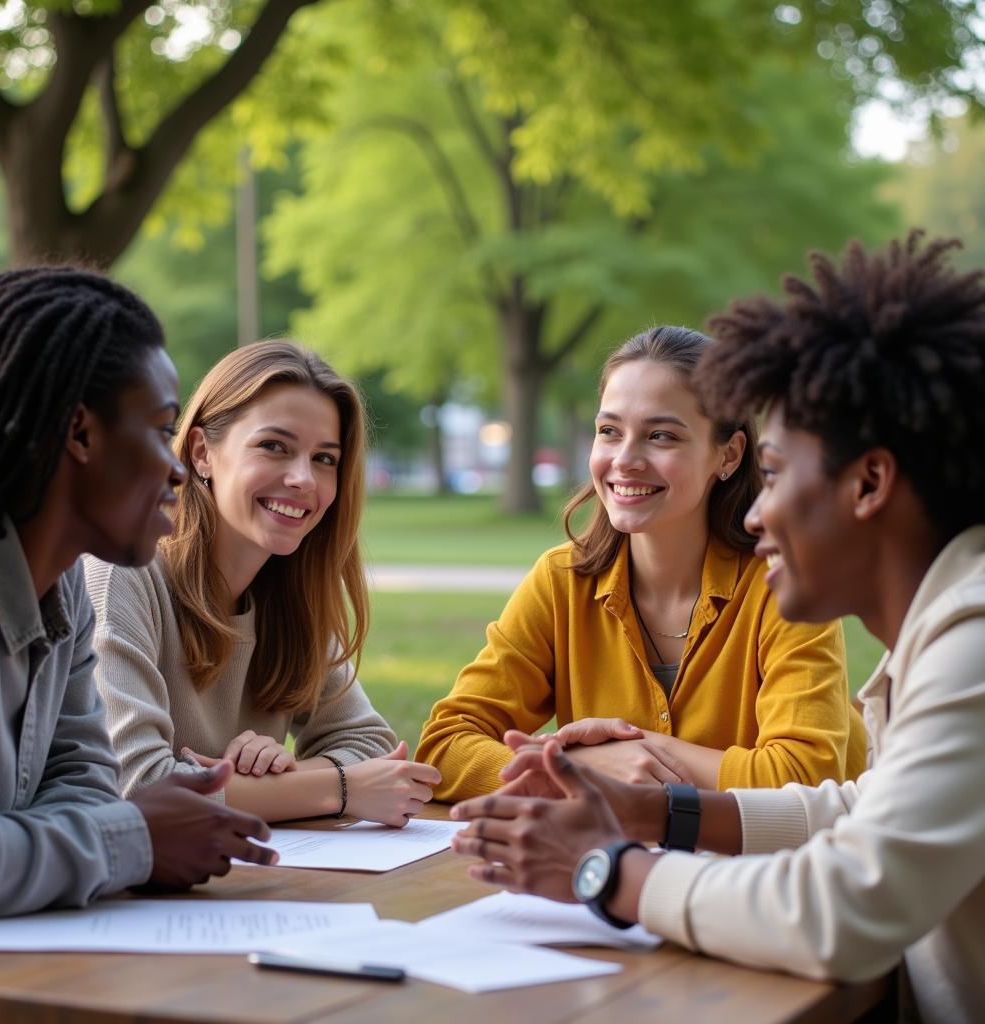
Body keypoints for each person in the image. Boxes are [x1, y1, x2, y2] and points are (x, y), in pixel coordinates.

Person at [450, 232, 985, 1023]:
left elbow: (843, 908)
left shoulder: (971, 643)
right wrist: (660, 813)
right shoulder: (952, 623)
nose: (761, 513)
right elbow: (859, 810)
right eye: (609, 429)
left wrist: (610, 869)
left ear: (870, 482)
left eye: (773, 473)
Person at [417, 326, 865, 802]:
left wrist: (637, 753)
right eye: (609, 431)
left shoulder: (786, 586)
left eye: (661, 436)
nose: (625, 460)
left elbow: (805, 779)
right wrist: (572, 764)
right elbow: (442, 749)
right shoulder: (561, 582)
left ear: (728, 455)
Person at [0, 267, 277, 919]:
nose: (179, 469)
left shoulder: (65, 586)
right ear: (80, 433)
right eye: (163, 430)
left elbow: (86, 785)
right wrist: (133, 839)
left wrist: (122, 833)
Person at [86, 341, 439, 826]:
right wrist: (337, 788)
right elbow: (140, 787)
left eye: (325, 459)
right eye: (274, 446)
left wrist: (271, 781)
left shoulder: (289, 590)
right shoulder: (122, 573)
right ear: (201, 452)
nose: (304, 479)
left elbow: (370, 746)